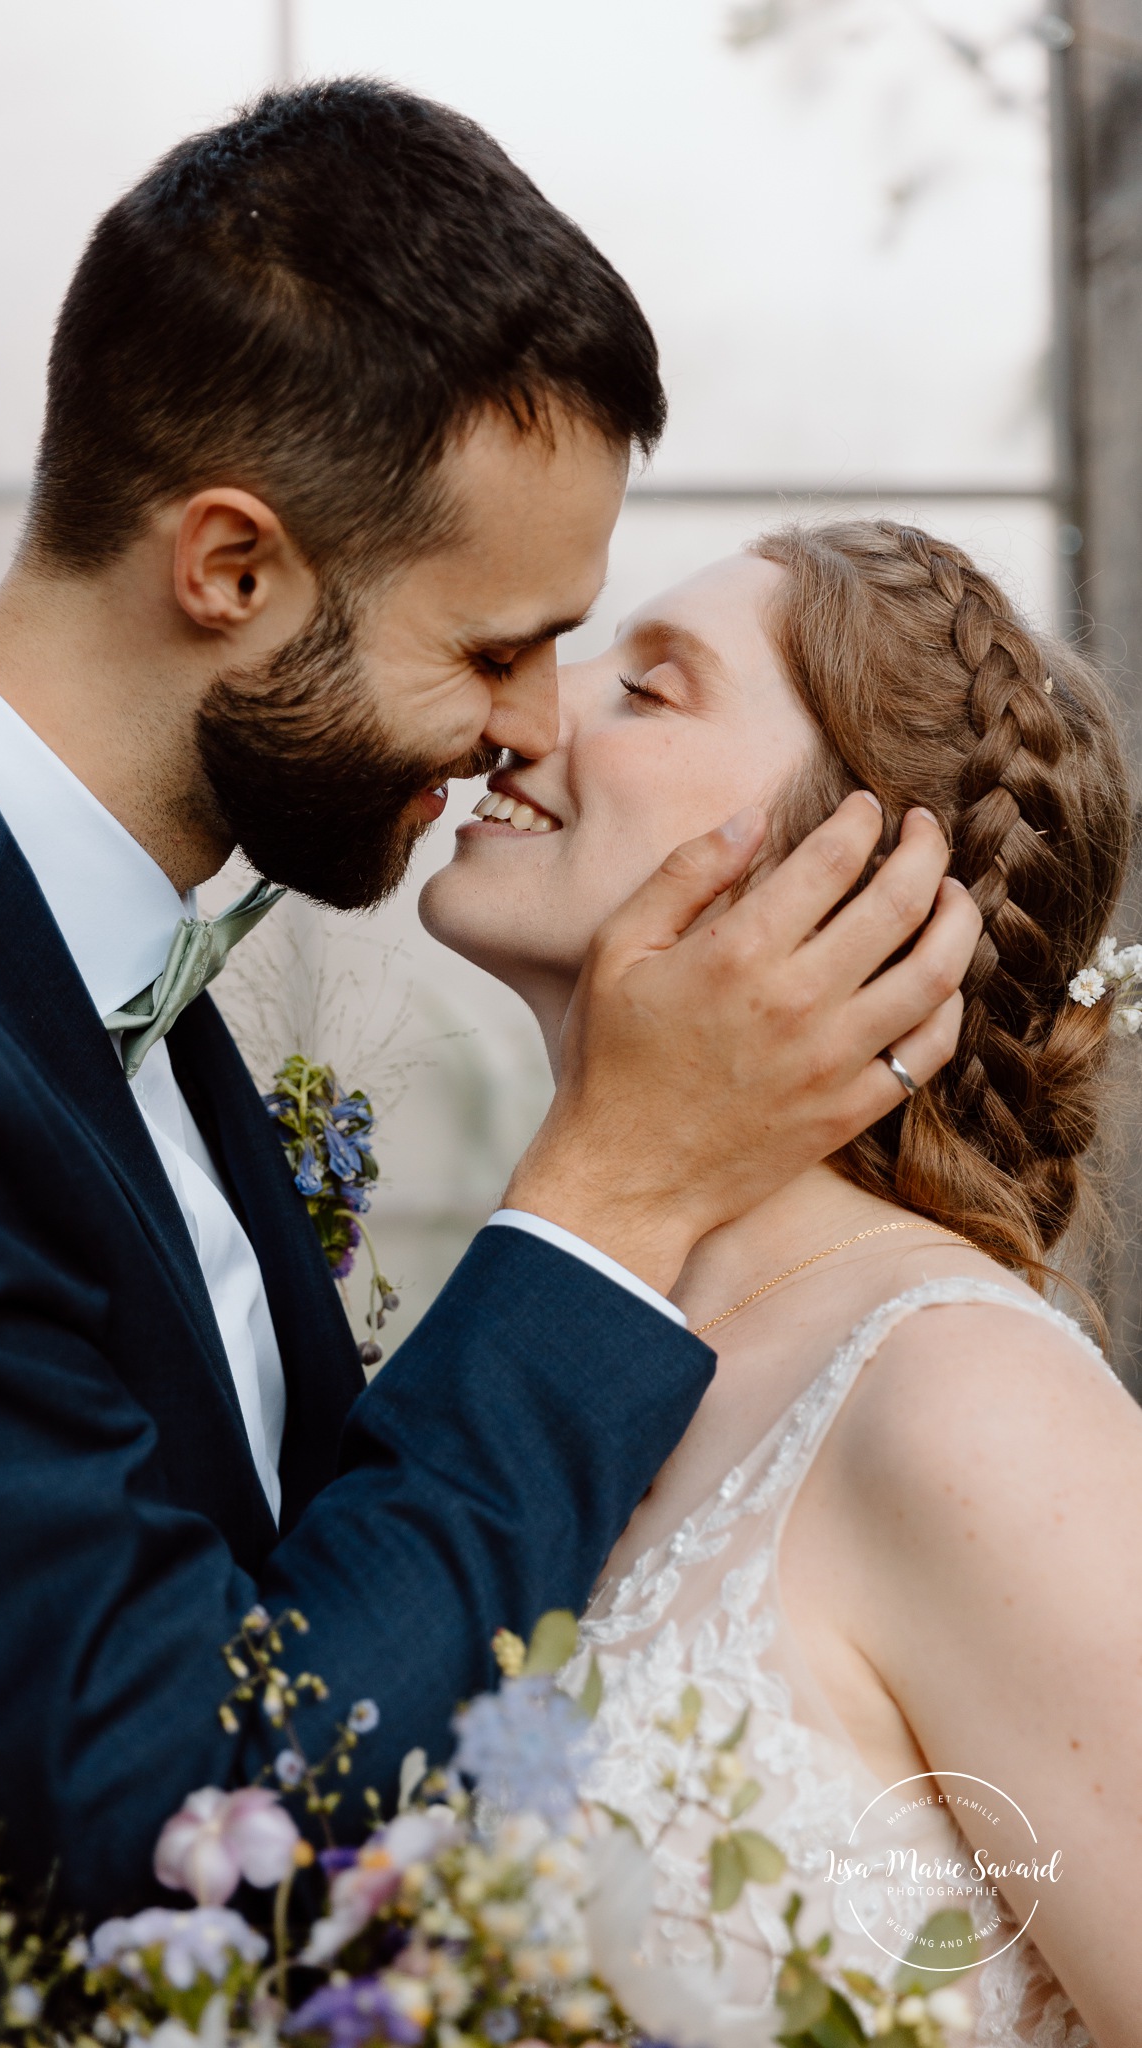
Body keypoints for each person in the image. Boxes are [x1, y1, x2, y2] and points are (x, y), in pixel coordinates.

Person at [0, 84, 978, 2043]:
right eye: (497, 644)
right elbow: (193, 1802)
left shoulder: (89, 978)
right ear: (231, 570)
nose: (527, 731)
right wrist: (613, 1188)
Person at [420, 518, 1141, 2046]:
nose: (527, 712)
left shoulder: (963, 1403)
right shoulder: (551, 1332)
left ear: (861, 870)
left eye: (649, 687)